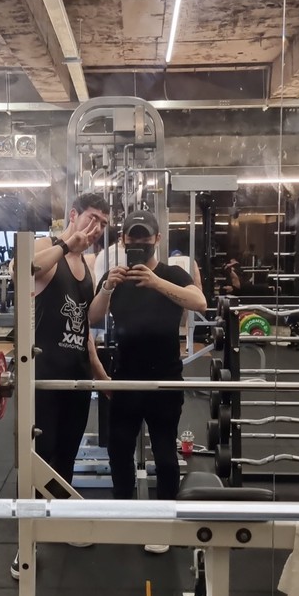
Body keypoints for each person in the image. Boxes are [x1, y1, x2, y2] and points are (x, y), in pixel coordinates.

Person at [89, 210, 207, 553]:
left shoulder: (172, 274)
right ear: (123, 240)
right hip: (126, 378)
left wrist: (155, 282)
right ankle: (124, 514)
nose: (138, 242)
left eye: (144, 236)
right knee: (119, 450)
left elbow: (199, 302)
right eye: (132, 236)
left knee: (166, 454)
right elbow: (93, 317)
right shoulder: (115, 278)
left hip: (165, 379)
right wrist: (108, 287)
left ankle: (165, 524)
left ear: (157, 239)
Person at [11, 192, 110, 579]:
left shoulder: (87, 265)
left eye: (103, 223)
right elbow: (21, 270)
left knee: (67, 453)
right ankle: (26, 543)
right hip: (43, 376)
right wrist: (67, 244)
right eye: (91, 218)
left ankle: (61, 522)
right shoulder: (46, 247)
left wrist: (99, 374)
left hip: (76, 377)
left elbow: (85, 328)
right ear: (73, 215)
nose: (96, 227)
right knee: (38, 456)